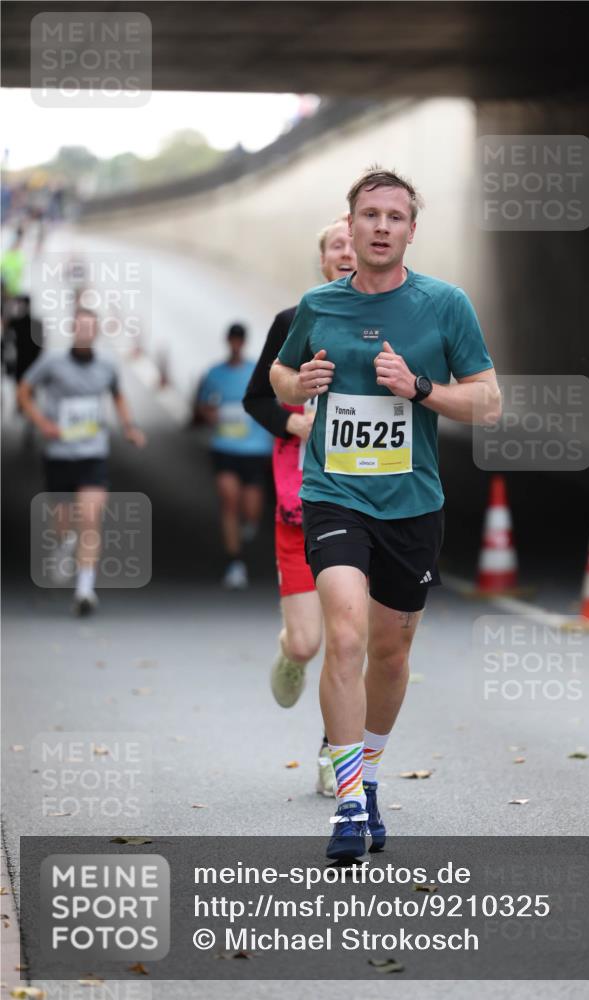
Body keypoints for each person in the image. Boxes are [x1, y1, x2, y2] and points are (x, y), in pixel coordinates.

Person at [270, 167, 501, 859]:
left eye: (393, 217)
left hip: (412, 504)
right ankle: (346, 803)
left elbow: (487, 401)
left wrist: (419, 387)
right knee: (343, 633)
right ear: (352, 221)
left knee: (391, 651)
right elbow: (279, 375)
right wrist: (298, 382)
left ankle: (367, 773)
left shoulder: (444, 305)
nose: (379, 227)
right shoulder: (318, 304)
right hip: (334, 495)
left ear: (408, 229)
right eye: (368, 214)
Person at [243, 216, 357, 797]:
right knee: (311, 642)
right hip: (301, 505)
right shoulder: (295, 322)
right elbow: (255, 395)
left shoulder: (397, 323)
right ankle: (290, 654)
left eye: (352, 241)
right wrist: (294, 421)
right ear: (323, 260)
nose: (346, 249)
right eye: (334, 244)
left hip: (366, 504)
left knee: (348, 636)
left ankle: (334, 753)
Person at [18, 306, 146, 615]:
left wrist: (129, 427)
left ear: (97, 331)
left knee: (91, 518)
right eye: (81, 327)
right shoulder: (52, 361)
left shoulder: (107, 364)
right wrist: (41, 423)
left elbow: (117, 395)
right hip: (59, 454)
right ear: (74, 330)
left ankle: (85, 590)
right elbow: (24, 390)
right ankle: (64, 544)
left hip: (93, 453)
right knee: (63, 523)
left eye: (91, 327)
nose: (86, 332)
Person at [196, 323, 273, 589]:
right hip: (225, 447)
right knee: (229, 499)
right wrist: (211, 415)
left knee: (251, 509)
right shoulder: (214, 374)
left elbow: (271, 404)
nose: (236, 344)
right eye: (233, 340)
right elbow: (203, 405)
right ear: (228, 341)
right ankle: (234, 561)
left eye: (240, 340)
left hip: (254, 450)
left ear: (244, 342)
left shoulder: (256, 371)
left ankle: (248, 526)